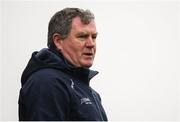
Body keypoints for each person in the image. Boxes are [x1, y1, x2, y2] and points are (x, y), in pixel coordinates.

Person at [18, 7, 108, 121]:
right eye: (82, 36)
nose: (91, 44)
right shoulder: (47, 82)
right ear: (58, 41)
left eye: (94, 37)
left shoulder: (90, 92)